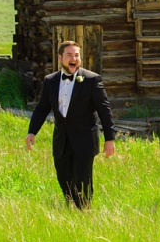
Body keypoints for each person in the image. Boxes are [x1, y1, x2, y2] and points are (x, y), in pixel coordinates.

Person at [26, 40, 116, 209]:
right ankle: (71, 206)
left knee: (83, 180)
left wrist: (109, 139)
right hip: (61, 140)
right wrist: (32, 132)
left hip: (85, 140)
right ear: (60, 58)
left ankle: (84, 210)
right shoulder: (50, 81)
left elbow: (105, 110)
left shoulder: (92, 79)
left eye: (76, 55)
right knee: (63, 177)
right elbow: (41, 109)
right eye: (69, 55)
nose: (74, 58)